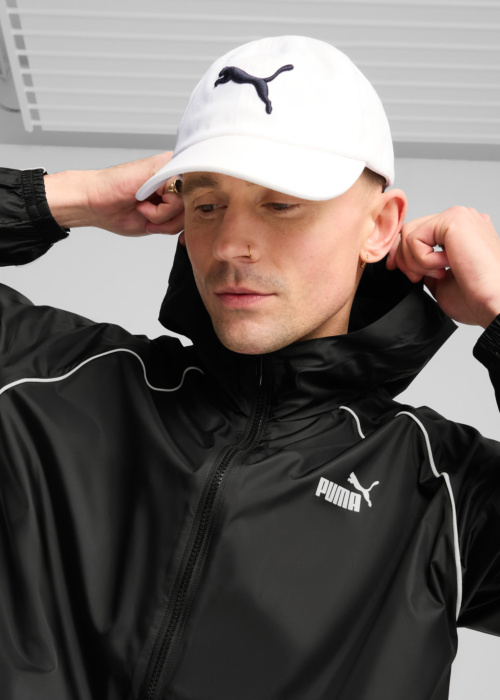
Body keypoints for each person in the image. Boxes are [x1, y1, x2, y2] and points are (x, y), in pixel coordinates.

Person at [1, 35, 500, 700]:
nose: (231, 245)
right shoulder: (51, 380)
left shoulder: (440, 492)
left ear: (380, 226)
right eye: (207, 205)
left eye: (280, 204)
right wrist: (70, 196)